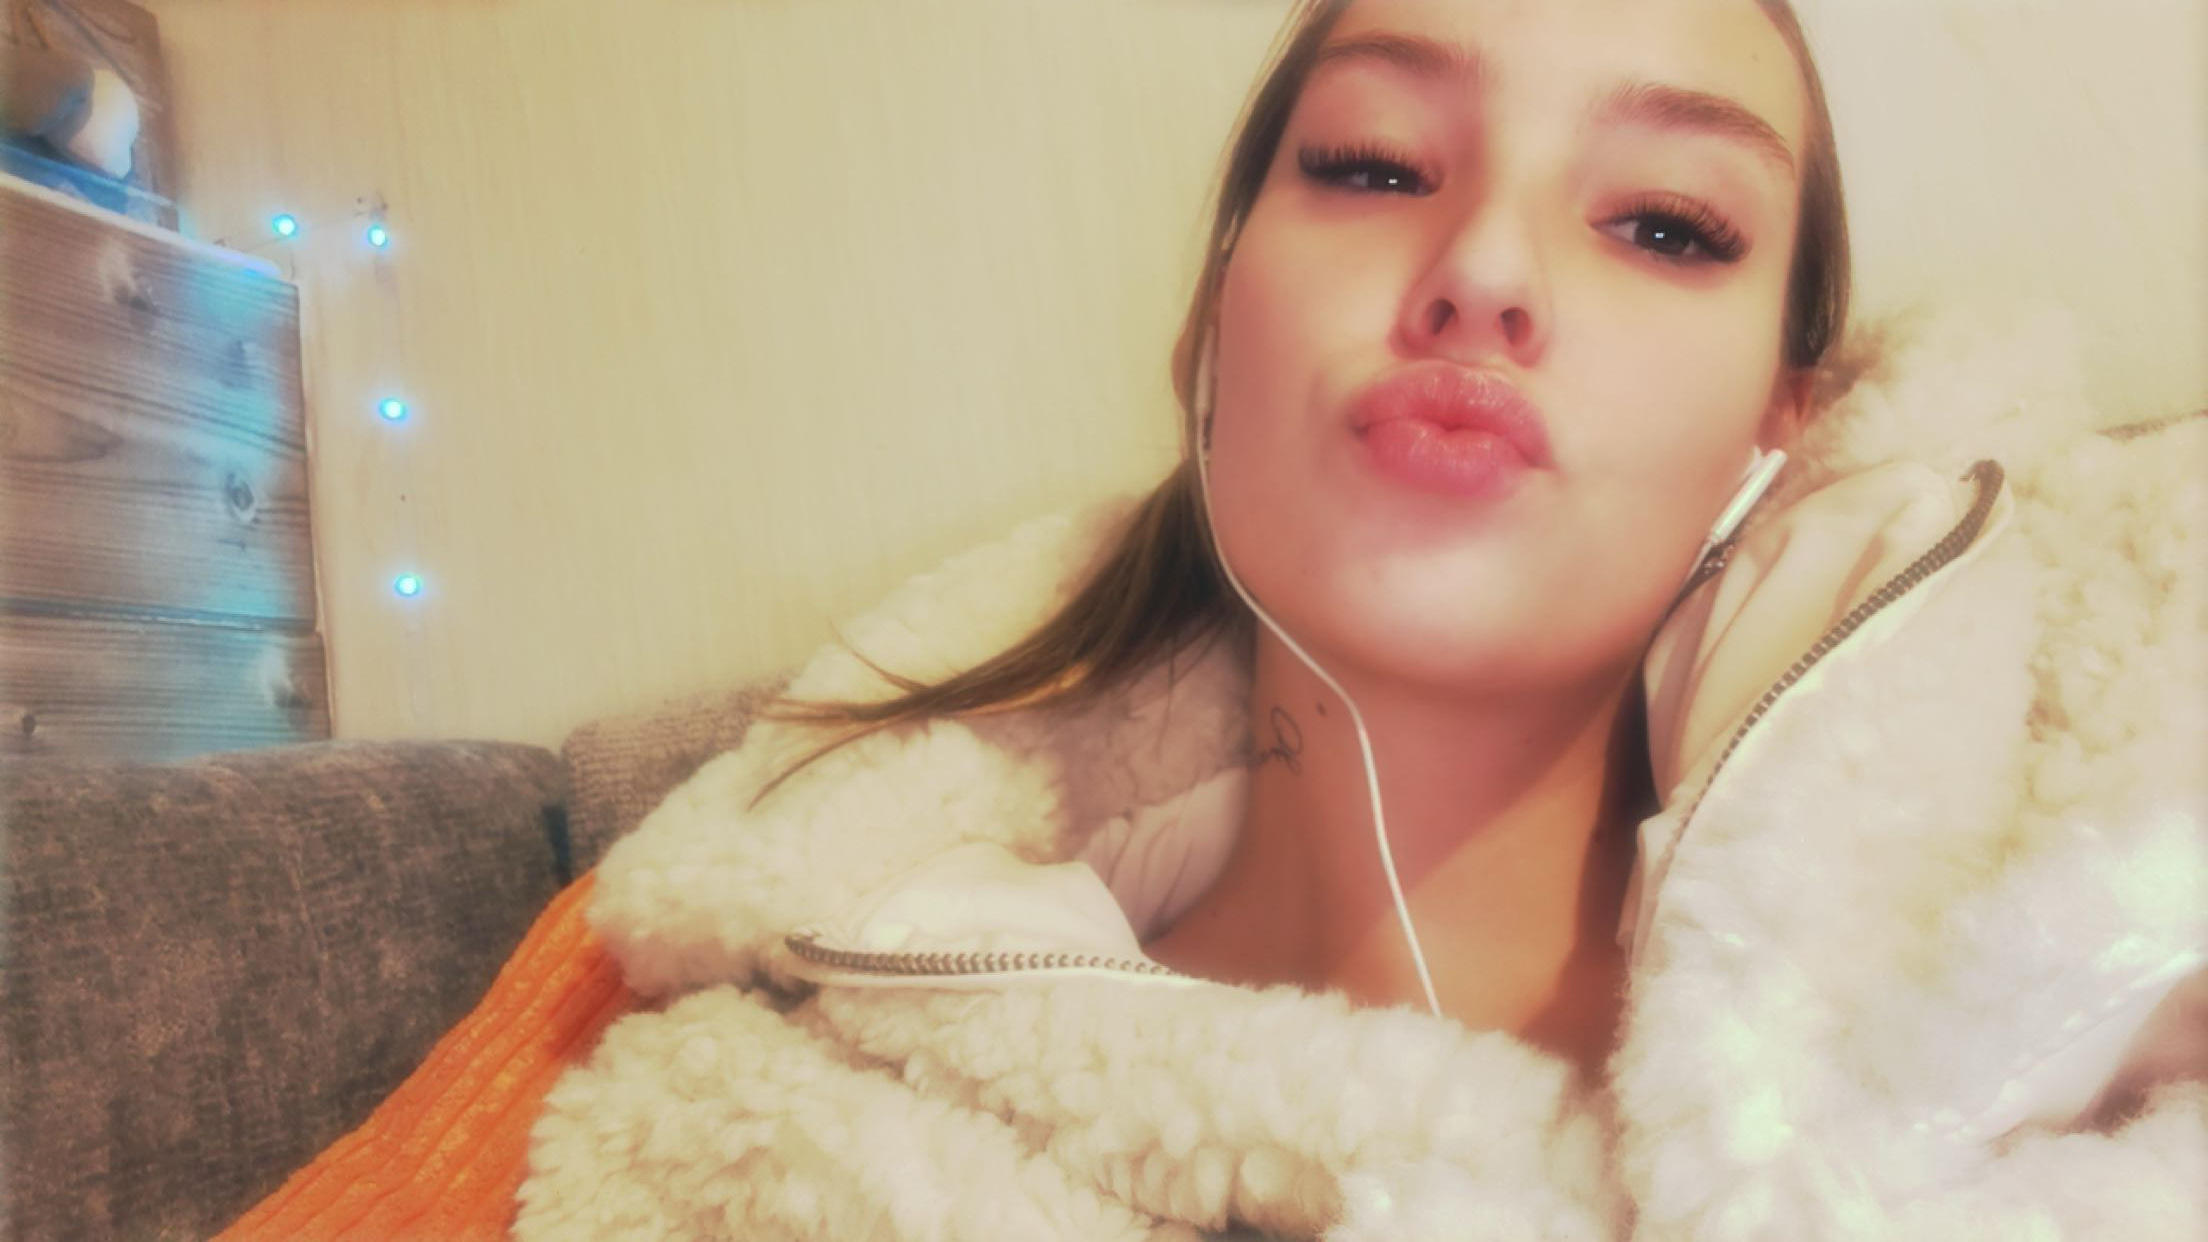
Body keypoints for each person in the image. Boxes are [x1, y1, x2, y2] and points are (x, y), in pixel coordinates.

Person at [513, 0, 2206, 1237]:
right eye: (1377, 165)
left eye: (1663, 223)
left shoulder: (2082, 1034)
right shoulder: (749, 1108)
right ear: (1209, 338)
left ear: (1780, 425)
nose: (1487, 272)